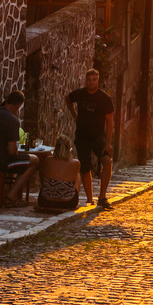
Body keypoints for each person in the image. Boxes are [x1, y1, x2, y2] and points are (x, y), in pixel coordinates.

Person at [0, 90, 39, 208]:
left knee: (25, 159)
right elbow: (11, 151)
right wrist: (15, 150)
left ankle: (8, 196)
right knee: (34, 160)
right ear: (18, 105)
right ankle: (11, 197)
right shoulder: (12, 120)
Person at [66, 68, 114, 209]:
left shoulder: (104, 98)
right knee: (85, 168)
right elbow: (68, 99)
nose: (91, 82)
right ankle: (89, 199)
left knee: (107, 161)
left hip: (99, 136)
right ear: (85, 81)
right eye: (89, 80)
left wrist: (108, 143)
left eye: (93, 80)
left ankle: (102, 196)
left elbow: (110, 122)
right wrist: (74, 115)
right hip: (82, 136)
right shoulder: (80, 94)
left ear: (98, 81)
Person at [37, 135, 81, 211]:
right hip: (69, 202)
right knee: (77, 174)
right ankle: (68, 194)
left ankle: (50, 191)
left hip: (45, 201)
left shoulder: (47, 160)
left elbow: (42, 179)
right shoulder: (76, 163)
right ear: (69, 148)